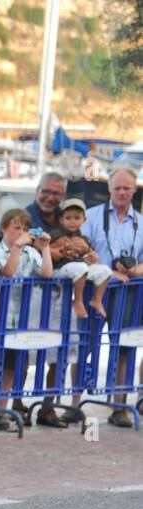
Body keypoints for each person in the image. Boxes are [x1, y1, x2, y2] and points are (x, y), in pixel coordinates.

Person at [80, 166, 143, 428]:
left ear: (134, 190)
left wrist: (135, 270)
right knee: (84, 346)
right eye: (117, 187)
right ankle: (74, 406)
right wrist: (106, 271)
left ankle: (119, 406)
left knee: (125, 347)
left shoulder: (141, 221)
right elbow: (79, 251)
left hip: (129, 294)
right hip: (94, 289)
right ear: (109, 189)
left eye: (126, 188)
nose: (121, 192)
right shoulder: (91, 217)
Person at [0, 208, 54, 429]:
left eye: (24, 228)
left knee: (11, 368)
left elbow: (47, 273)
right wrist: (16, 247)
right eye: (16, 228)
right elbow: (8, 272)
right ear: (3, 228)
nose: (21, 232)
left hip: (17, 322)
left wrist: (46, 248)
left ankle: (2, 411)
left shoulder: (30, 253)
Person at [45, 197, 112, 425]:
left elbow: (92, 258)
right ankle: (79, 300)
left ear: (84, 220)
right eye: (68, 217)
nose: (72, 222)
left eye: (77, 218)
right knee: (80, 269)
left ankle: (96, 299)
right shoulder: (54, 234)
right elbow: (49, 251)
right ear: (61, 218)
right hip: (63, 273)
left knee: (104, 271)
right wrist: (59, 248)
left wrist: (92, 256)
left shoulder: (85, 238)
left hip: (81, 269)